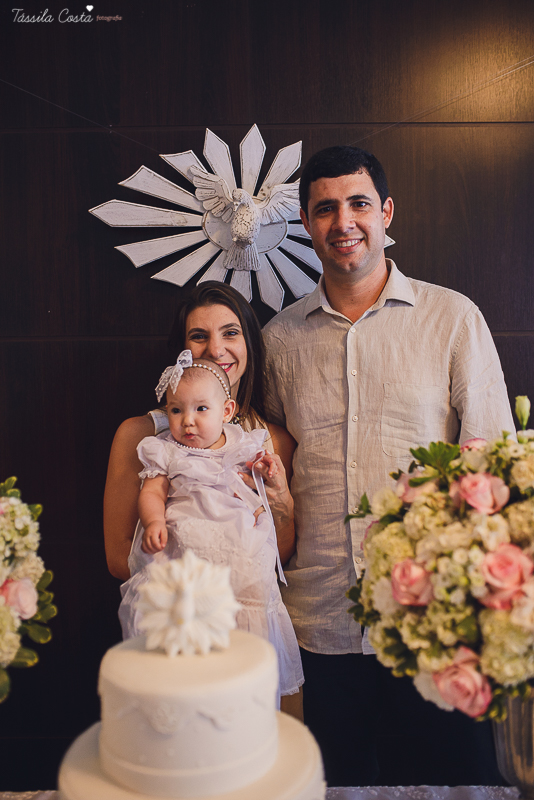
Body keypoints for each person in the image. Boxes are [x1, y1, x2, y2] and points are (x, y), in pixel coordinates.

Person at [263, 145, 515, 786]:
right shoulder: (278, 340)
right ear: (305, 222)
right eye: (324, 209)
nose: (342, 221)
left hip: (431, 623)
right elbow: (263, 475)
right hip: (319, 626)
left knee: (451, 786)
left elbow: (494, 465)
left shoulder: (452, 319)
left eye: (358, 204)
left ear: (386, 212)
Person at [103, 281, 302, 715]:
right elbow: (119, 557)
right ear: (182, 351)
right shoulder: (141, 437)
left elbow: (280, 555)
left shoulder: (274, 443)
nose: (217, 349)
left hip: (253, 624)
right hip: (178, 622)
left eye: (231, 333)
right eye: (200, 336)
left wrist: (281, 502)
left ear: (250, 344)